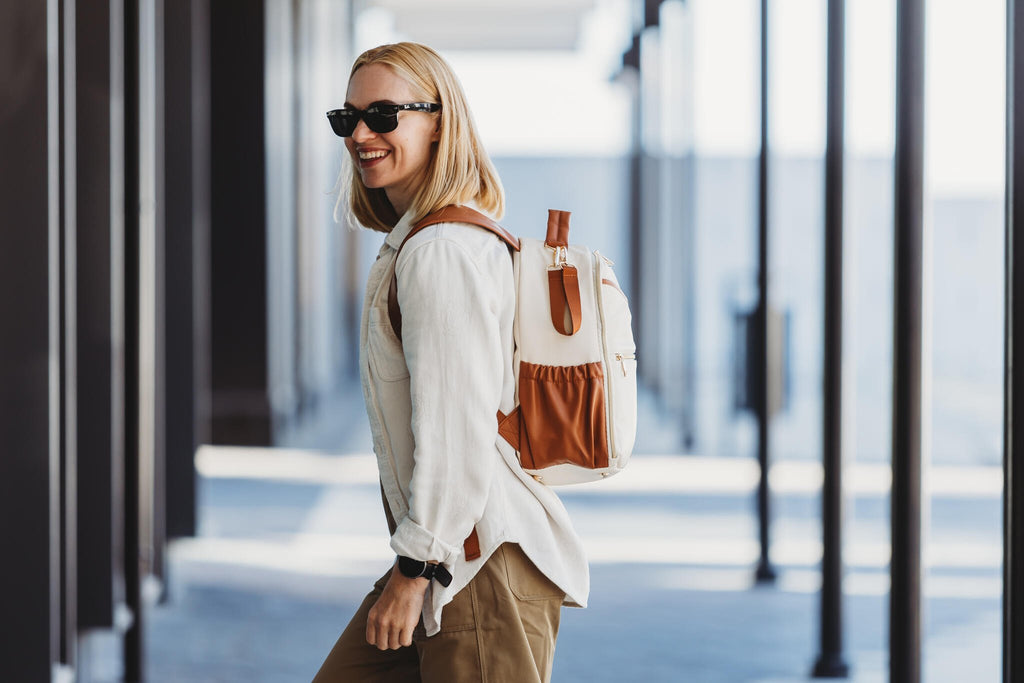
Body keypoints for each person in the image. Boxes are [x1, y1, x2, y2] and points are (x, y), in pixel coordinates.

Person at [312, 42, 589, 683]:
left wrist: (414, 571)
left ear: (439, 121)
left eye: (384, 115)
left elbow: (456, 429)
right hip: (449, 554)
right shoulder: (426, 240)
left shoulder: (439, 250)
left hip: (474, 563)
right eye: (346, 118)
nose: (360, 133)